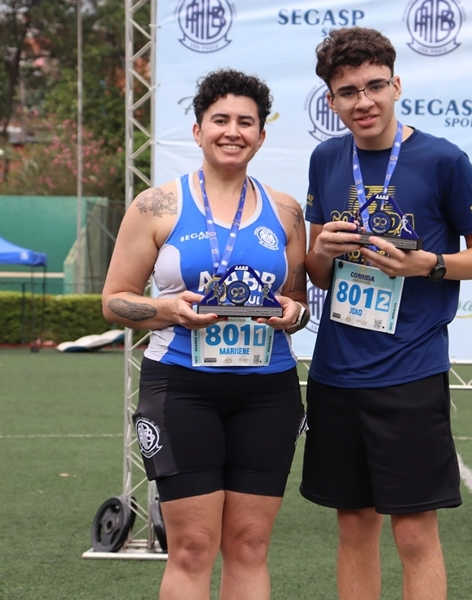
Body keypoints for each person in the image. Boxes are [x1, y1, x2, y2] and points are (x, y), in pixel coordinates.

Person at [300, 27, 472, 600]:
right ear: (331, 101)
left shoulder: (443, 159)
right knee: (353, 527)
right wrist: (323, 251)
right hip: (337, 371)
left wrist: (428, 266)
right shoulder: (325, 159)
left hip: (410, 370)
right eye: (346, 92)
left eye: (374, 86)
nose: (362, 101)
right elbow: (319, 274)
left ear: (396, 84)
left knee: (414, 534)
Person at [102, 68, 309, 600]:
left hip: (268, 390)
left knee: (248, 546)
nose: (232, 131)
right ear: (198, 131)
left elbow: (298, 304)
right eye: (220, 120)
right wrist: (167, 309)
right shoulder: (156, 205)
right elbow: (114, 300)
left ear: (262, 136)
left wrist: (292, 313)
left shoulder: (286, 212)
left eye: (246, 122)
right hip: (181, 387)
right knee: (192, 546)